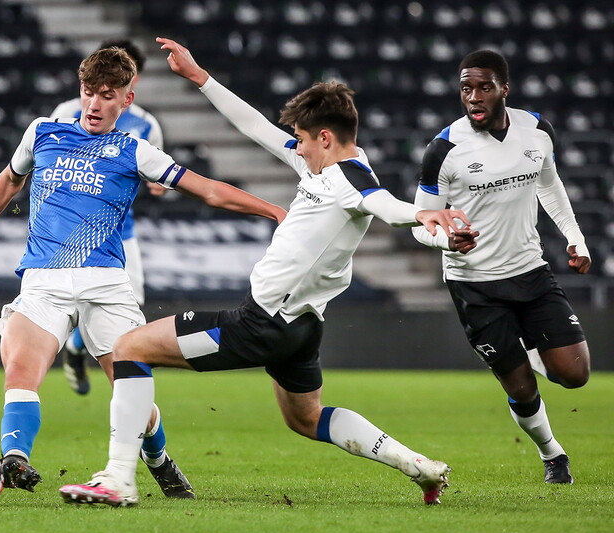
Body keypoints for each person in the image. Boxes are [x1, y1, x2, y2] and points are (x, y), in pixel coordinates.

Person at [59, 37, 475, 508]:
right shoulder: (323, 164)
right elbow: (255, 127)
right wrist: (201, 79)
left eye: (300, 138)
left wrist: (422, 216)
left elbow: (384, 205)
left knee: (129, 348)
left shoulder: (348, 178)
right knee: (306, 418)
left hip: (261, 323)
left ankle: (118, 479)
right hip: (302, 328)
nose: (294, 147)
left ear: (325, 138)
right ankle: (418, 466)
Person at [0, 46, 286, 499]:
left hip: (105, 285)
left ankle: (158, 459)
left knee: (132, 396)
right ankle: (16, 458)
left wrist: (274, 211)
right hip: (43, 282)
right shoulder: (43, 132)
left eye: (107, 95)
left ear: (127, 99)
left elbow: (207, 191)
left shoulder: (137, 150)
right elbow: (9, 180)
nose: (95, 104)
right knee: (20, 370)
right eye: (88, 92)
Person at [411, 50, 591, 484]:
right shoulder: (444, 149)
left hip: (530, 271)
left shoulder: (536, 130)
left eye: (484, 87)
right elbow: (420, 223)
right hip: (475, 285)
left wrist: (575, 235)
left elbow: (548, 183)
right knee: (522, 389)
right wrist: (446, 237)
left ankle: (527, 346)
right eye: (465, 88)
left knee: (575, 374)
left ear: (504, 90)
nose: (473, 96)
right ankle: (553, 454)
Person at [50, 38, 167, 397]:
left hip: (119, 234)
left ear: (134, 83)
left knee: (128, 307)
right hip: (68, 235)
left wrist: (156, 184)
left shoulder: (146, 124)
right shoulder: (67, 111)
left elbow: (158, 176)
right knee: (71, 305)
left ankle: (78, 350)